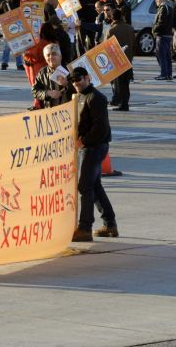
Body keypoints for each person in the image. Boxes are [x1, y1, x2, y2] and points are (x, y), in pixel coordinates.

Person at [69, 67, 118, 243]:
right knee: (94, 186)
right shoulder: (78, 96)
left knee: (85, 186)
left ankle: (85, 228)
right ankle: (110, 223)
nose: (76, 83)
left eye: (79, 79)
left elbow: (101, 128)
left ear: (87, 78)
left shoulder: (96, 98)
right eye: (73, 81)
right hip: (88, 147)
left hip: (94, 147)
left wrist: (83, 141)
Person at [108, 10, 135, 111]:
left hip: (117, 60)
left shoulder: (111, 30)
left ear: (112, 18)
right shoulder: (130, 28)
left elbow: (107, 47)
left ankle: (122, 104)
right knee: (126, 84)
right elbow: (134, 43)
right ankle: (125, 103)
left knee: (119, 84)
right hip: (128, 59)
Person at [32, 43, 72, 108]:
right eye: (48, 55)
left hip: (68, 108)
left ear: (60, 56)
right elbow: (35, 91)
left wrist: (67, 84)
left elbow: (81, 89)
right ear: (45, 58)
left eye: (54, 54)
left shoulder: (70, 69)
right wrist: (47, 93)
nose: (51, 57)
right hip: (49, 110)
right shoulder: (42, 72)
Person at [152, 0, 176, 81]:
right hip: (168, 34)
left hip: (162, 35)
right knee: (167, 56)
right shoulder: (169, 7)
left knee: (161, 55)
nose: (156, 1)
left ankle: (164, 74)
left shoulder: (163, 8)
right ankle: (168, 74)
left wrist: (154, 29)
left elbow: (161, 22)